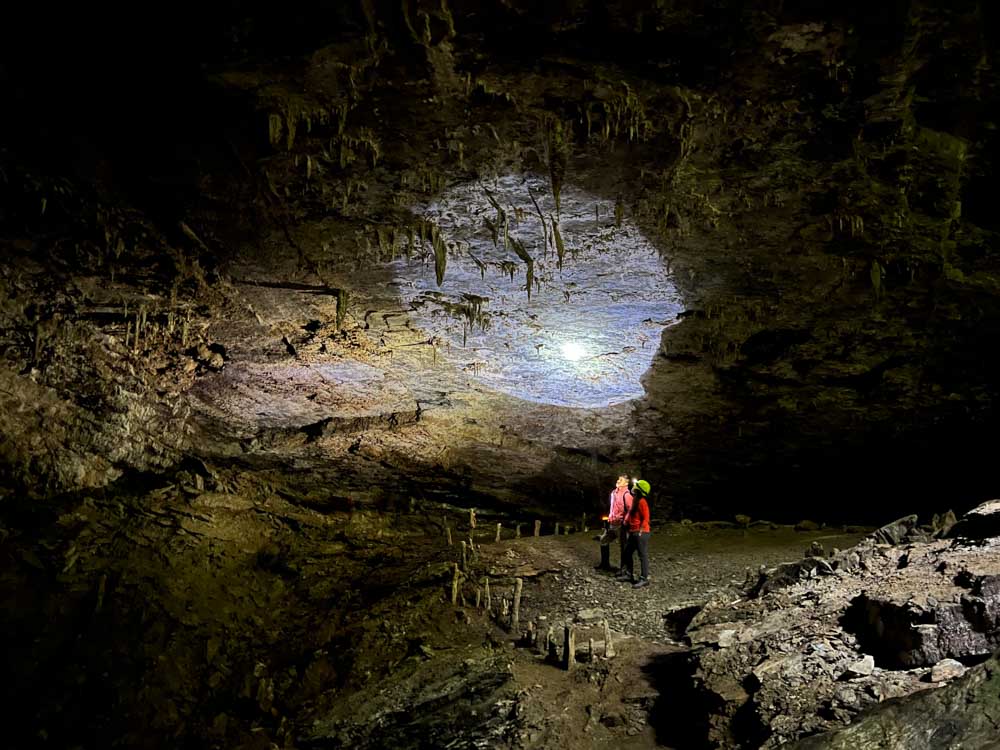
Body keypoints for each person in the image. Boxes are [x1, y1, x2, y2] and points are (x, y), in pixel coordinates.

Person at [617, 479, 651, 588]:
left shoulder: (642, 502)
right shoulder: (635, 500)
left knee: (642, 555)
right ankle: (628, 574)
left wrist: (641, 530)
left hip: (641, 533)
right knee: (627, 552)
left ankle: (644, 579)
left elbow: (646, 517)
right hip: (633, 532)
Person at [596, 475, 632, 573]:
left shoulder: (627, 495)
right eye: (618, 479)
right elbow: (613, 507)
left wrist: (625, 521)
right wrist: (610, 518)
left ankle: (624, 570)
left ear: (626, 483)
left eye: (621, 480)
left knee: (624, 547)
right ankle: (605, 564)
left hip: (621, 525)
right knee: (603, 540)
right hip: (612, 524)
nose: (618, 481)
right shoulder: (613, 493)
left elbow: (631, 510)